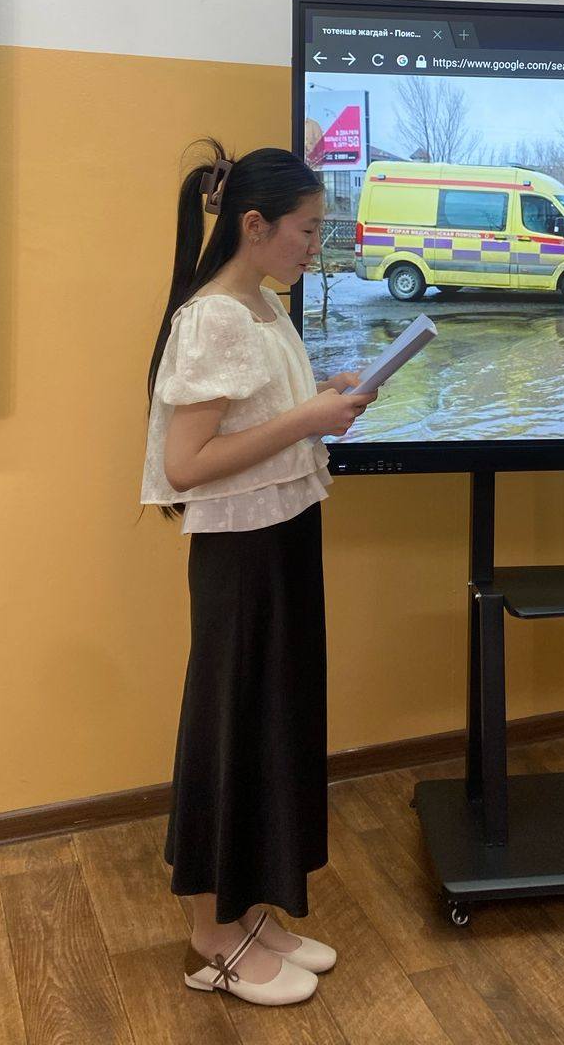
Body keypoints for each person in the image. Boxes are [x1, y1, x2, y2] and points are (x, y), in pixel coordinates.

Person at [142, 142, 379, 1009]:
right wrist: (309, 419)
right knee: (230, 727)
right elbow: (188, 463)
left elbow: (266, 417)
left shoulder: (265, 307)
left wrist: (325, 397)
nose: (318, 243)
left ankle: (247, 913)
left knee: (273, 723)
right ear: (255, 225)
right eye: (308, 229)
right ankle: (210, 937)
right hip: (239, 553)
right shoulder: (213, 317)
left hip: (284, 533)